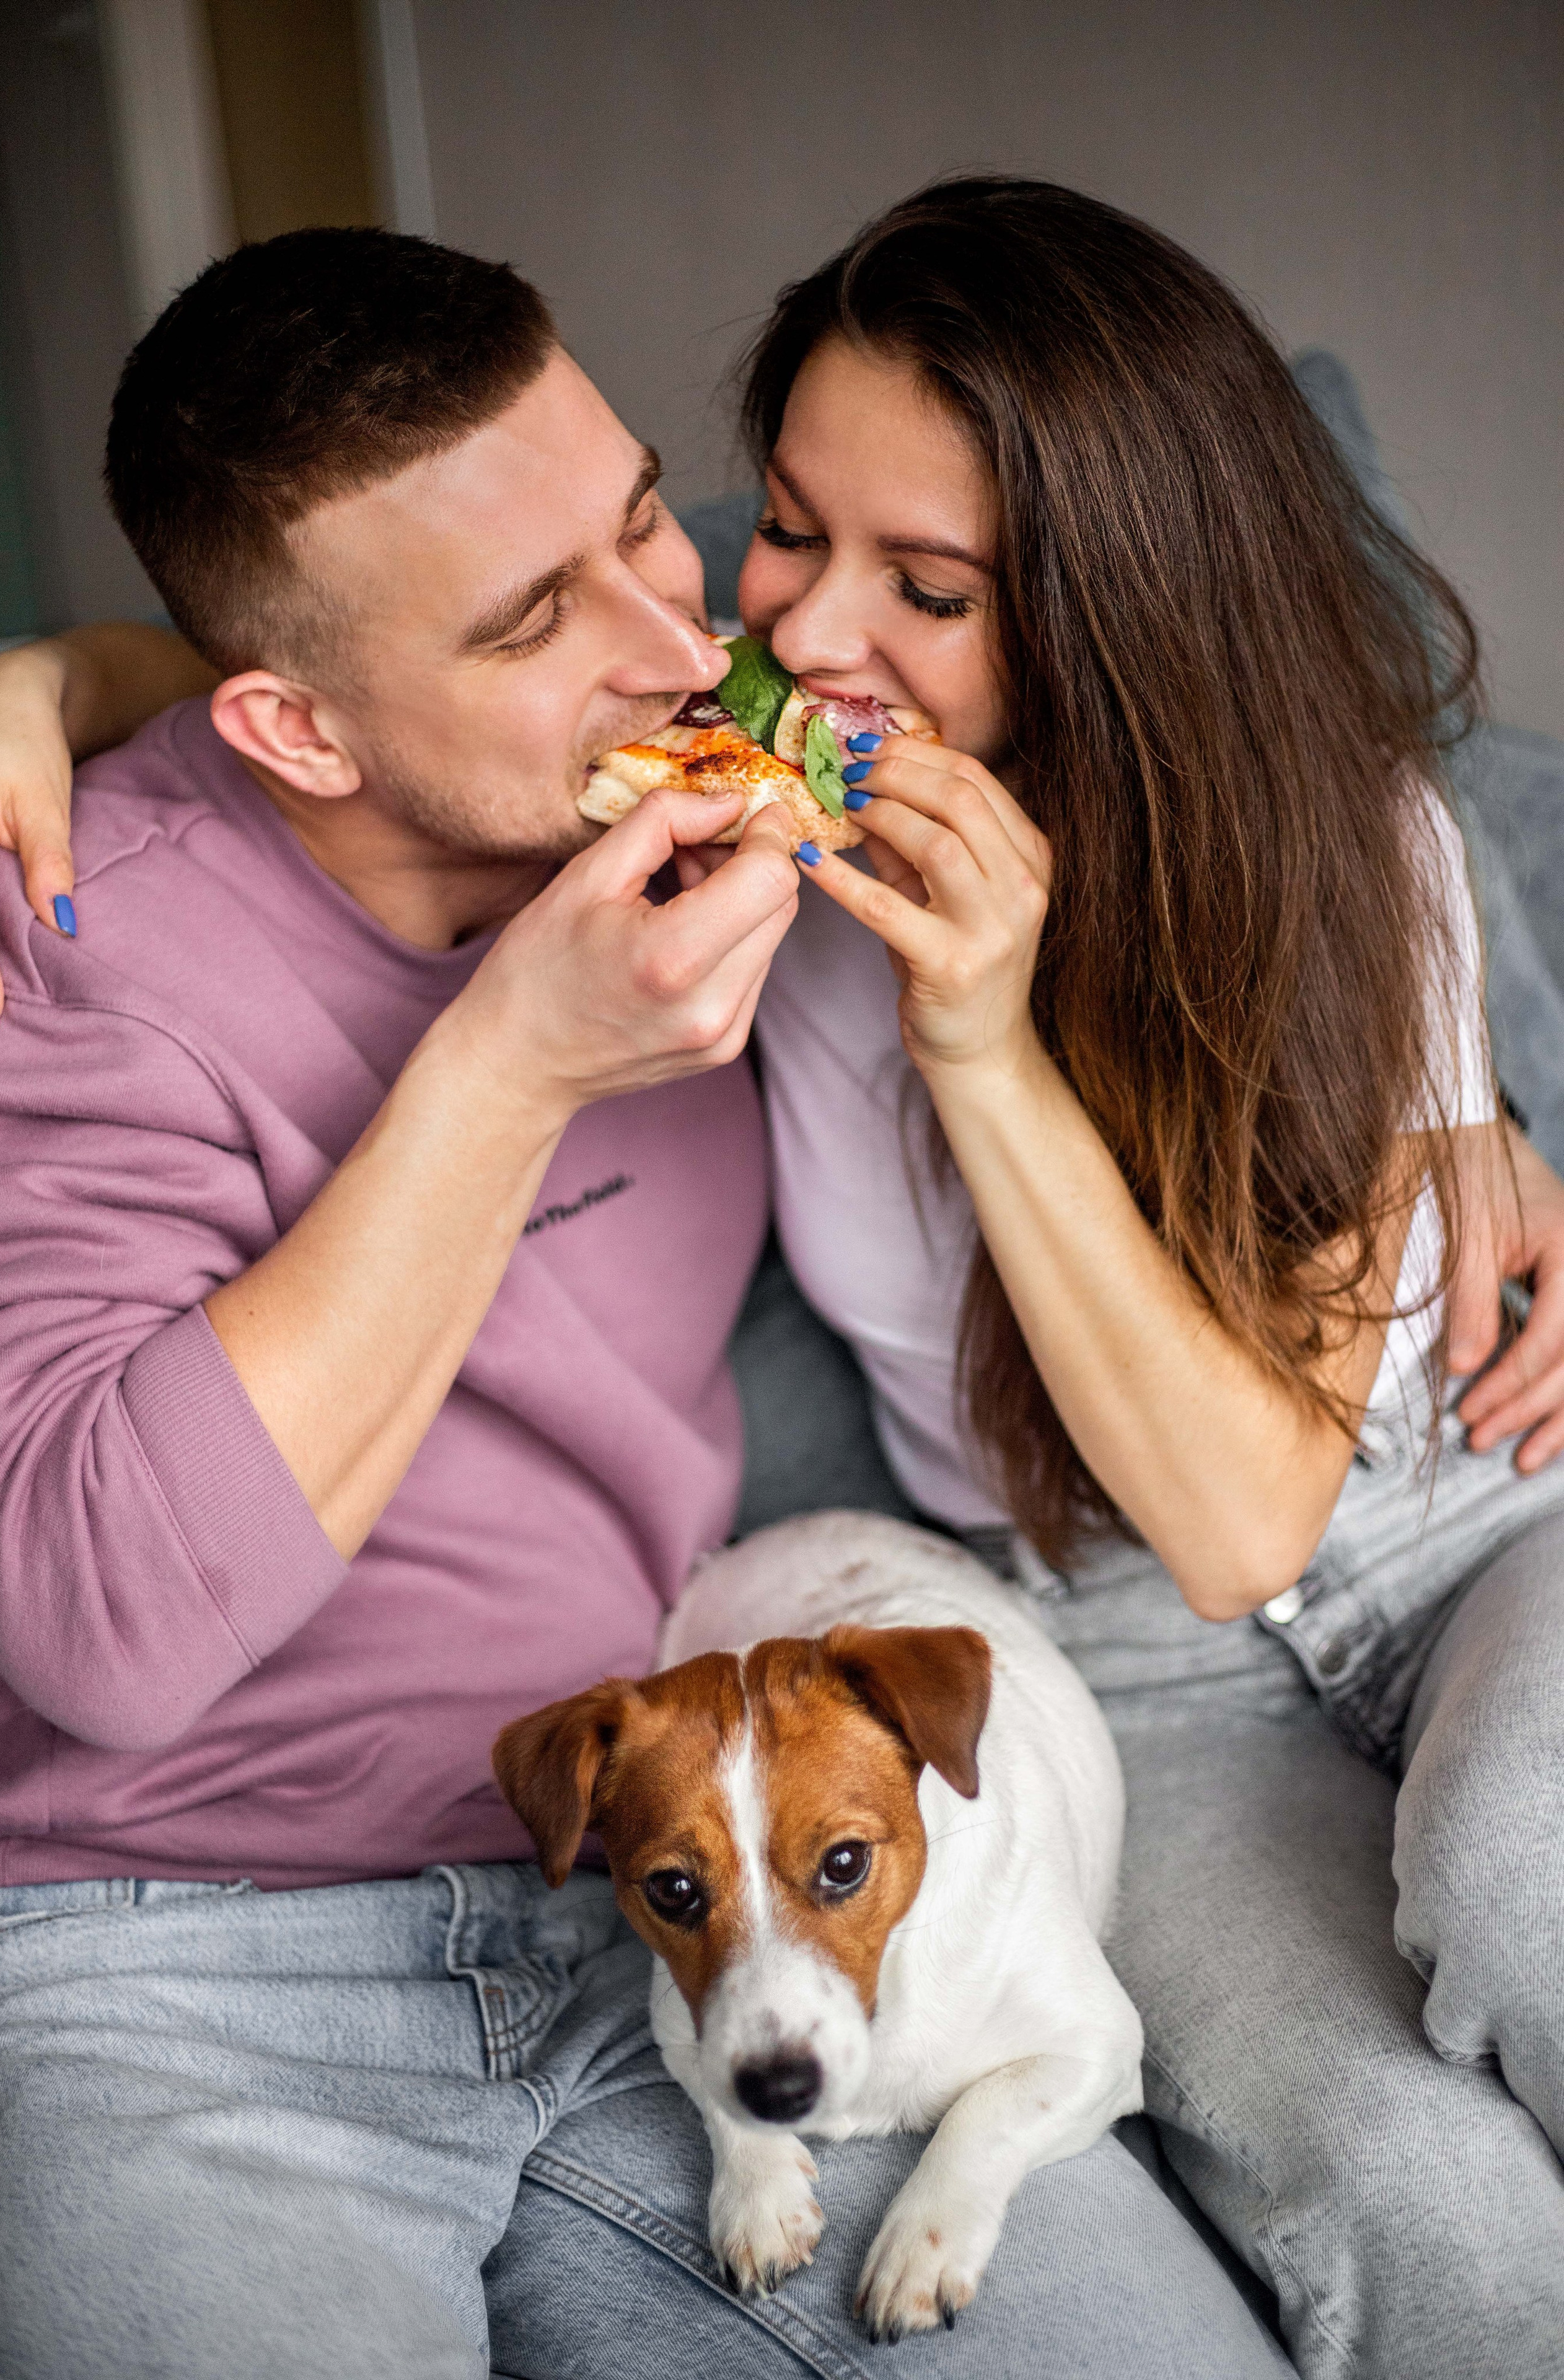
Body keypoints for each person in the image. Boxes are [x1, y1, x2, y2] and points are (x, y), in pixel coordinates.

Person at [0, 229, 1294, 2380]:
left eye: (643, 526)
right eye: (533, 620)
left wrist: (1472, 1121)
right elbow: (102, 1626)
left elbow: (1234, 840)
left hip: (664, 1886)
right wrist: (510, 1062)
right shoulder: (50, 951)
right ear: (294, 724)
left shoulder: (731, 847)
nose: (685, 642)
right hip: (178, 1965)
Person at [716, 180, 1564, 2376]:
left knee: (1527, 1886)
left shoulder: (1336, 845)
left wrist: (986, 1045)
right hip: (1108, 1658)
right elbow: (354, 649)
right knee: (1417, 2200)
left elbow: (1248, 1511)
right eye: (790, 530)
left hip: (1478, 1499)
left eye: (930, 589)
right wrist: (40, 684)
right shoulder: (727, 805)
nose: (810, 637)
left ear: (1114, 617)